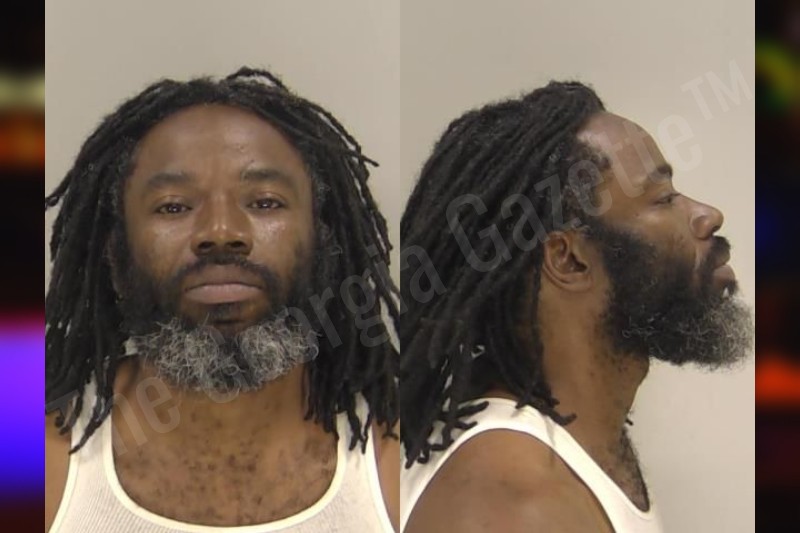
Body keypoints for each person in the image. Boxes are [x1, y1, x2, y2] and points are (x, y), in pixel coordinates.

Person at [45, 68, 399, 532]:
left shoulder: (397, 456)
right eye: (173, 206)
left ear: (324, 240)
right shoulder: (35, 455)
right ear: (115, 250)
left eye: (265, 202)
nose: (221, 232)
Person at [399, 81, 753, 532]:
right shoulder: (512, 508)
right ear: (568, 259)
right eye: (663, 199)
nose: (707, 215)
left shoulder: (579, 443)